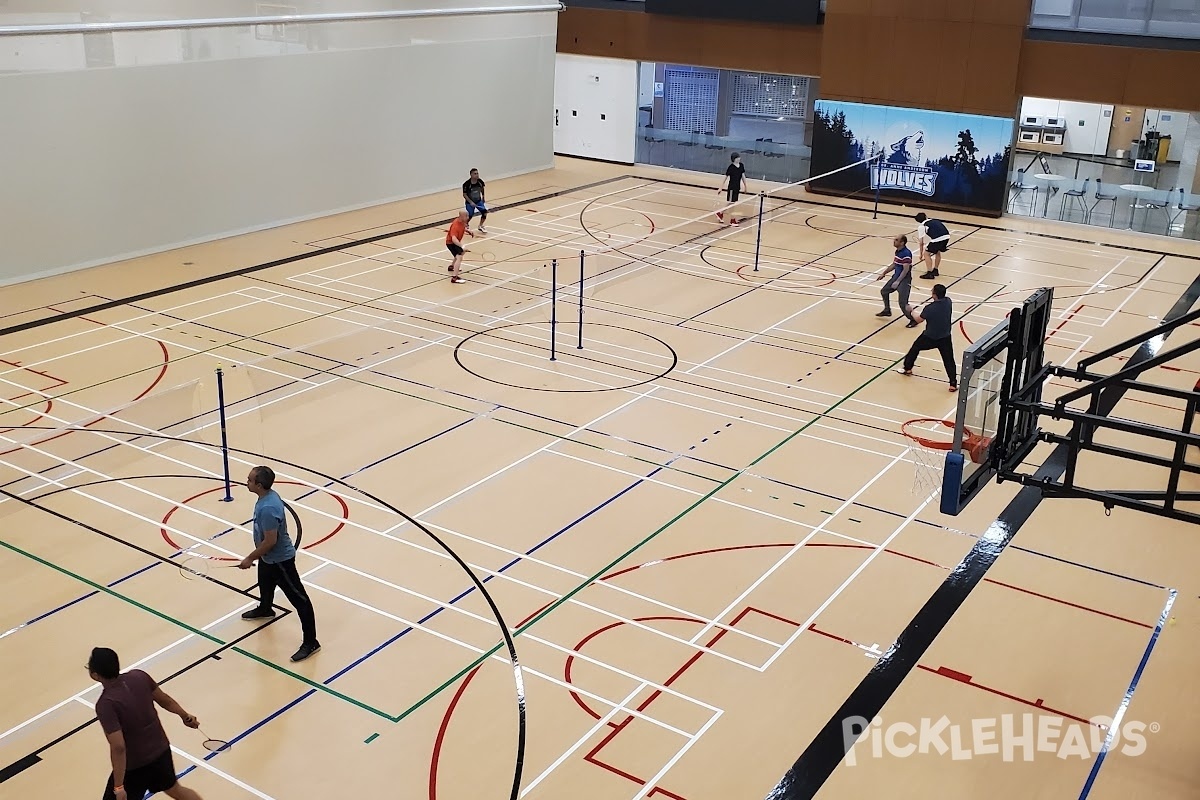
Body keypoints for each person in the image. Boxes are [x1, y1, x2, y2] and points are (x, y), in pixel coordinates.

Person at [88, 647, 205, 800]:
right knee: (175, 790)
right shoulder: (139, 676)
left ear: (95, 675)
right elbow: (165, 700)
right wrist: (185, 716)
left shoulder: (106, 704)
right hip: (160, 751)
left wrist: (118, 786)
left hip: (135, 766)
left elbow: (119, 747)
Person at [239, 465, 321, 662]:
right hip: (269, 559)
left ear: (259, 485)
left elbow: (270, 541)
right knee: (265, 584)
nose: (246, 482)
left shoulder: (268, 507)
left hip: (280, 561)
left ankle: (311, 642)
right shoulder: (267, 497)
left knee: (300, 600)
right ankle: (265, 609)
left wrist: (250, 557)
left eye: (250, 480)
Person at [901, 283, 958, 392]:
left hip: (930, 336)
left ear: (935, 295)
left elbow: (918, 320)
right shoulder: (948, 301)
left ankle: (908, 368)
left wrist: (911, 310)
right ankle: (953, 384)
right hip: (945, 337)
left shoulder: (929, 308)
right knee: (949, 360)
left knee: (915, 348)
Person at [875, 234, 916, 326]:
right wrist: (884, 273)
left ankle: (913, 320)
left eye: (896, 240)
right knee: (884, 291)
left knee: (902, 303)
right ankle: (887, 310)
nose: (894, 241)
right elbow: (894, 264)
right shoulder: (898, 251)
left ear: (902, 242)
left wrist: (898, 281)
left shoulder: (906, 253)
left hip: (904, 280)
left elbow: (906, 270)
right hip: (896, 277)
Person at [914, 212, 951, 279]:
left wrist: (921, 254)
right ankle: (935, 270)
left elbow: (921, 242)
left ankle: (929, 273)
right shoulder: (934, 220)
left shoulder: (922, 226)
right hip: (947, 237)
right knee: (937, 252)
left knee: (926, 254)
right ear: (926, 216)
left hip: (937, 239)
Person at [716, 152, 749, 226]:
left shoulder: (741, 166)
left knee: (732, 203)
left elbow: (743, 176)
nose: (739, 158)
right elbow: (725, 178)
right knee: (731, 203)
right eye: (737, 157)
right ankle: (732, 220)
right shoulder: (731, 167)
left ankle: (720, 213)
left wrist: (745, 186)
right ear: (734, 159)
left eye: (739, 157)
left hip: (737, 188)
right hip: (731, 188)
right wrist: (720, 188)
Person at [445, 210, 474, 285]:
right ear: (461, 216)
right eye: (466, 216)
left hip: (455, 242)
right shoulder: (455, 225)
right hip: (451, 243)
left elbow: (462, 227)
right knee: (459, 257)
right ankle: (454, 278)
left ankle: (452, 267)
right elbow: (453, 239)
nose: (468, 217)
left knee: (460, 253)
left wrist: (468, 231)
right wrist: (462, 246)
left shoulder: (462, 222)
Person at [463, 168, 488, 233]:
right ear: (471, 175)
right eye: (475, 174)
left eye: (477, 173)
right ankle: (465, 225)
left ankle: (480, 226)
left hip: (478, 201)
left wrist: (483, 196)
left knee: (484, 212)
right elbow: (464, 195)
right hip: (469, 202)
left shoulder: (480, 182)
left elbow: (482, 189)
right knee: (470, 215)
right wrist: (471, 202)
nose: (477, 175)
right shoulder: (466, 184)